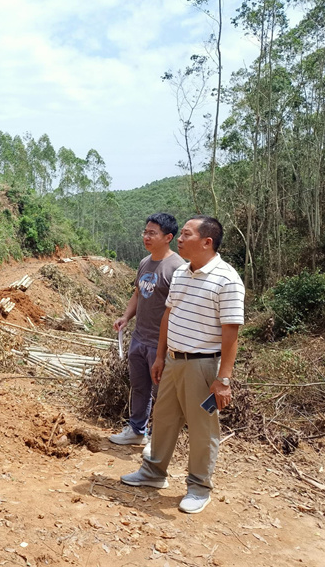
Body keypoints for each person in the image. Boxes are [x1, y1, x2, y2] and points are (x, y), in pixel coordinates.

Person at [120, 216, 245, 514]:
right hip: (174, 361)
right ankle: (153, 473)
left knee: (202, 429)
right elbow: (168, 316)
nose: (180, 239)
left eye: (186, 234)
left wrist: (223, 379)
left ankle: (199, 488)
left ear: (207, 242)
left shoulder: (226, 279)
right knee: (163, 419)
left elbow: (231, 335)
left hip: (203, 366)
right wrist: (161, 356)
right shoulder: (181, 273)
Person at [110, 213, 184, 457]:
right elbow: (138, 294)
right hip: (139, 338)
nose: (146, 237)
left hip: (161, 343)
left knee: (161, 393)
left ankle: (157, 436)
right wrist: (125, 317)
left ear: (168, 237)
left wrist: (167, 347)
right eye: (145, 232)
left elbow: (179, 309)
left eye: (152, 233)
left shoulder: (178, 269)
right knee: (139, 386)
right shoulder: (144, 263)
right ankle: (136, 430)